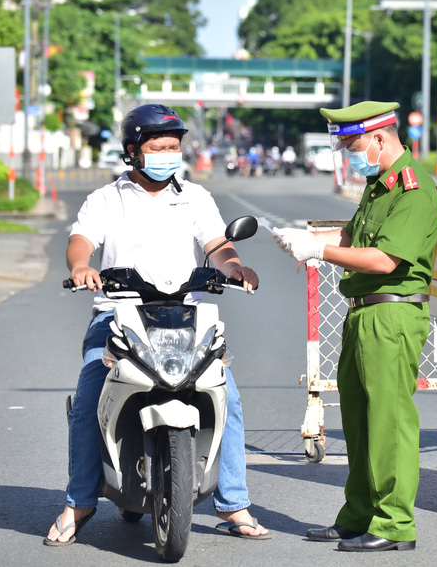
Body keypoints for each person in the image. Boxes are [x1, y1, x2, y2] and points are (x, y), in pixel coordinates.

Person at [44, 105, 270, 547]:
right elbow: (81, 240)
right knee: (92, 389)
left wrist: (236, 267)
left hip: (185, 314)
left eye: (174, 147)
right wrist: (80, 267)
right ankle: (80, 499)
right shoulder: (106, 199)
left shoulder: (195, 197)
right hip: (118, 314)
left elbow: (218, 245)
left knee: (229, 395)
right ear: (133, 151)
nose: (170, 154)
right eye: (159, 147)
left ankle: (233, 502)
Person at [273, 101, 437, 552]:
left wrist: (318, 251)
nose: (350, 154)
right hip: (363, 312)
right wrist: (304, 241)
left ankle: (393, 524)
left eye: (353, 144)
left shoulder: (413, 189)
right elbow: (352, 238)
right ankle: (358, 515)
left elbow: (384, 259)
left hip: (392, 313)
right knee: (359, 421)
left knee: (389, 422)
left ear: (380, 138)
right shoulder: (380, 185)